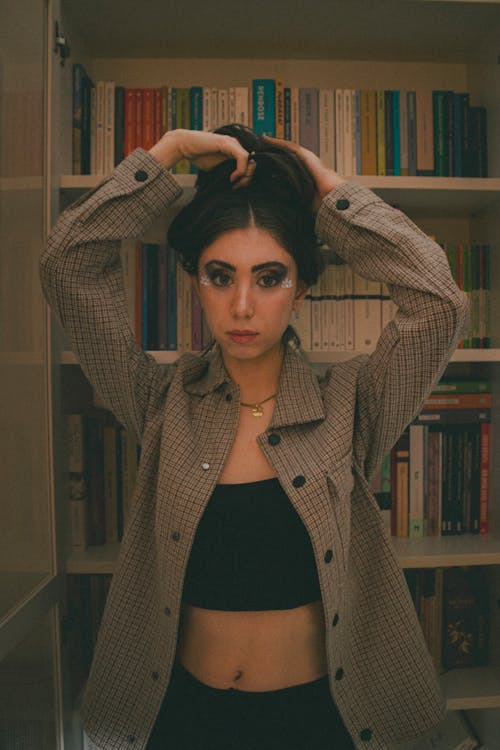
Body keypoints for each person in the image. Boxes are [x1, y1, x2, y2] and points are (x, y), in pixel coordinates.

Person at [40, 124, 468, 750]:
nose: (243, 305)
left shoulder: (349, 406)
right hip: (183, 719)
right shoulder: (161, 403)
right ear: (197, 284)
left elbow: (439, 304)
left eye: (270, 278)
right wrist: (167, 157)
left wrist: (328, 194)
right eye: (220, 276)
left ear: (299, 292)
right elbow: (66, 263)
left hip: (321, 720)